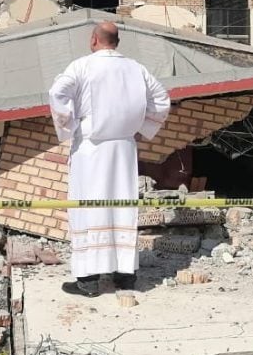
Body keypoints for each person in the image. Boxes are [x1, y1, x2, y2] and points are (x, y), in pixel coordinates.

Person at [48, 21, 170, 297]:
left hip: (91, 149)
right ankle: (125, 275)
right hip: (124, 149)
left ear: (94, 40)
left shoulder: (82, 66)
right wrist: (141, 128)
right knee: (122, 207)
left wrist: (69, 126)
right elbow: (162, 100)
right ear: (117, 42)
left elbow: (57, 93)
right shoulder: (136, 68)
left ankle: (88, 281)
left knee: (89, 208)